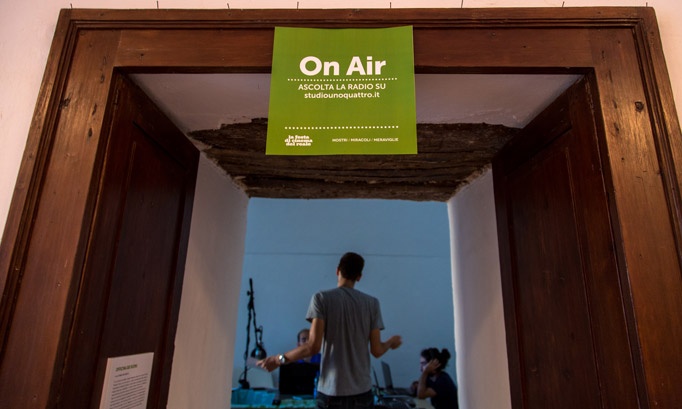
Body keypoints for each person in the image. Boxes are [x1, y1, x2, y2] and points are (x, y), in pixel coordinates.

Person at [257, 252, 402, 409]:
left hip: (331, 392)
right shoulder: (372, 304)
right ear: (359, 277)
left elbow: (312, 347)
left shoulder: (321, 299)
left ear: (337, 270)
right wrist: (391, 342)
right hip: (362, 392)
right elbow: (377, 350)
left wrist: (277, 360)